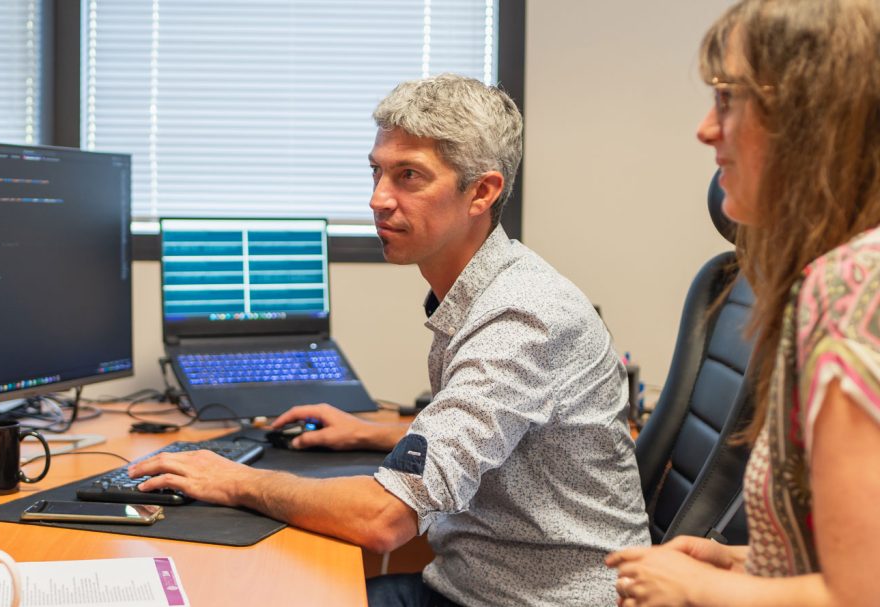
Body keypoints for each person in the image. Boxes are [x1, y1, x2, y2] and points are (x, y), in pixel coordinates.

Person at [131, 74, 649, 606]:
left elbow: (385, 520)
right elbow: (496, 436)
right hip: (479, 587)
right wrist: (374, 434)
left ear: (482, 192)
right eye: (377, 172)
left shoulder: (523, 315)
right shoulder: (486, 288)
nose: (379, 198)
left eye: (409, 177)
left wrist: (233, 481)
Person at [605, 1, 880, 605]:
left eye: (728, 98)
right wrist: (740, 559)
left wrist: (697, 586)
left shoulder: (853, 285)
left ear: (806, 114)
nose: (706, 128)